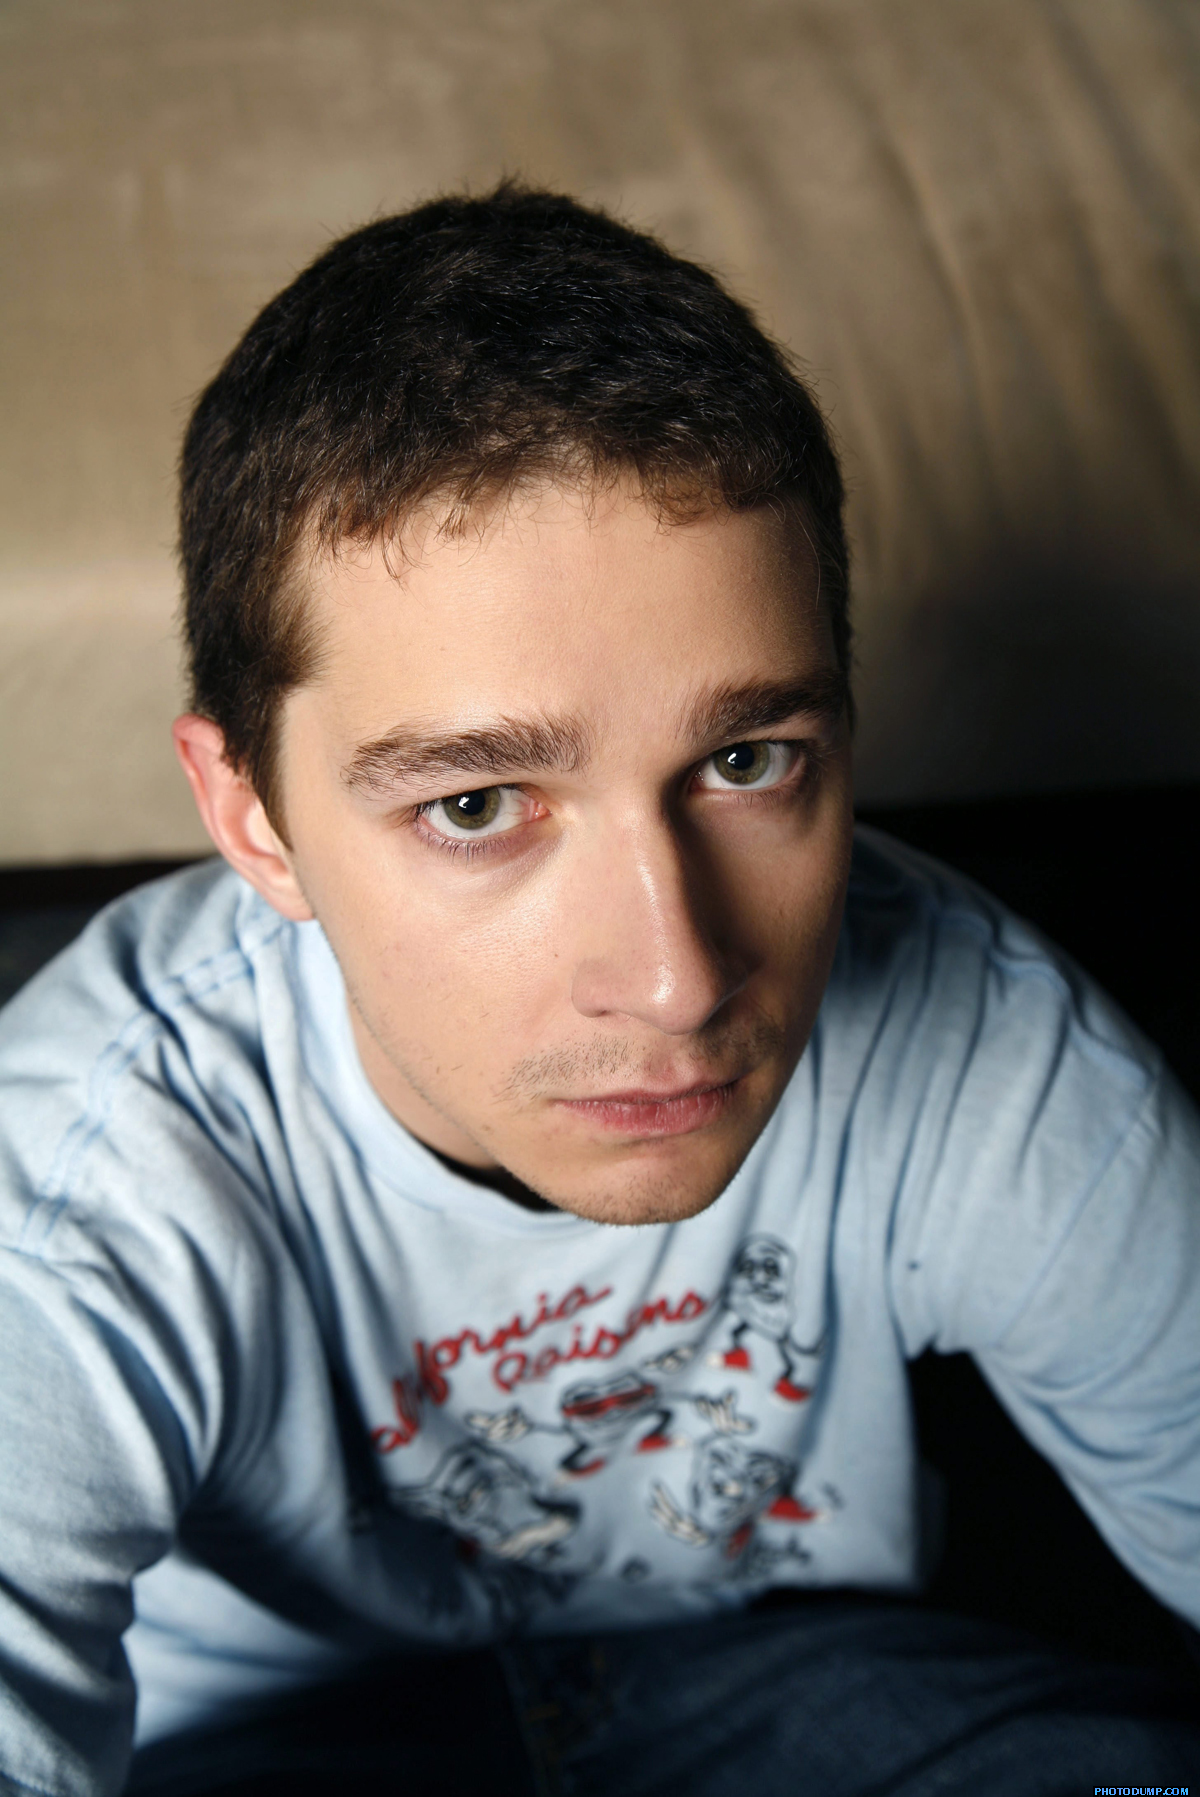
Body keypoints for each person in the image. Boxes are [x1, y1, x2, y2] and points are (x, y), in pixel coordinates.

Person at [0, 184, 1196, 1797]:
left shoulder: (990, 1049)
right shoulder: (78, 1185)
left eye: (747, 760)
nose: (678, 978)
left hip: (790, 1679)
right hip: (272, 1745)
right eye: (477, 804)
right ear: (252, 818)